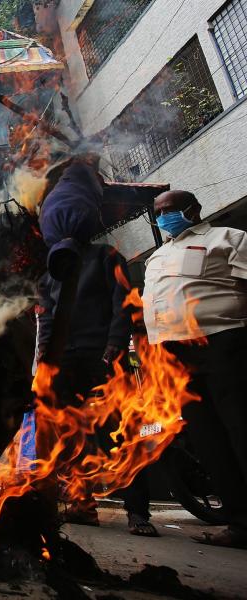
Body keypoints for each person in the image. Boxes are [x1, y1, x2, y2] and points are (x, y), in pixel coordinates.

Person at [142, 190, 247, 549]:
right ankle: (240, 523)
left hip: (223, 344)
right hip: (175, 358)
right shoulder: (155, 257)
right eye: (158, 212)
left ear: (193, 209)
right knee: (208, 440)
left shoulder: (229, 238)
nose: (164, 216)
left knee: (241, 429)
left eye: (170, 209)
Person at [38, 243, 156, 536]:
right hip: (65, 360)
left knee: (117, 432)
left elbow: (123, 304)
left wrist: (115, 343)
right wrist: (45, 355)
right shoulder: (50, 269)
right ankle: (81, 505)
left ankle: (138, 512)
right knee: (68, 435)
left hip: (102, 356)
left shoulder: (107, 255)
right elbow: (47, 315)